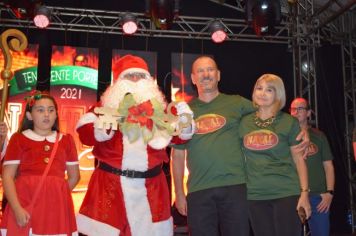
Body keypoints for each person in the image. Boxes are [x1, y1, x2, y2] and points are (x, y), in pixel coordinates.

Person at [76, 54, 194, 236]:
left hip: (151, 189)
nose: (135, 80)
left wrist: (185, 124)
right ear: (118, 81)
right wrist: (99, 130)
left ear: (149, 81)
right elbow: (84, 134)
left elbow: (180, 138)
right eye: (129, 76)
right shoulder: (105, 106)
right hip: (110, 187)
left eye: (140, 76)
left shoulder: (161, 110)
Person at [171, 55, 255, 236]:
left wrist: (302, 128)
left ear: (218, 75)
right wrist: (178, 192)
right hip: (199, 190)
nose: (205, 74)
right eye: (200, 71)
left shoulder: (237, 103)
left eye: (210, 69)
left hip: (235, 186)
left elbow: (265, 113)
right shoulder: (184, 112)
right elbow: (177, 155)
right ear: (193, 79)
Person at [238, 74, 311, 236]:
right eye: (259, 88)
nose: (262, 93)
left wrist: (305, 193)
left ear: (278, 94)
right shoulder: (243, 123)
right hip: (255, 194)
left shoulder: (289, 122)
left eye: (269, 90)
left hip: (285, 192)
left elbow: (299, 160)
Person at [0, 91, 80, 235]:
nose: (46, 114)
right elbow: (7, 177)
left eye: (51, 110)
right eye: (40, 110)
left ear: (56, 114)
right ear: (30, 115)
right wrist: (17, 208)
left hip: (55, 210)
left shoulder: (66, 140)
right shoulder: (18, 139)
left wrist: (57, 195)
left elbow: (75, 177)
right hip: (24, 203)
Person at [290, 97, 335, 236]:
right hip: (292, 195)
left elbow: (328, 166)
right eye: (293, 109)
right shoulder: (285, 136)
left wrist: (329, 193)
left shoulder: (319, 136)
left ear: (309, 113)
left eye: (300, 108)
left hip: (318, 197)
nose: (296, 112)